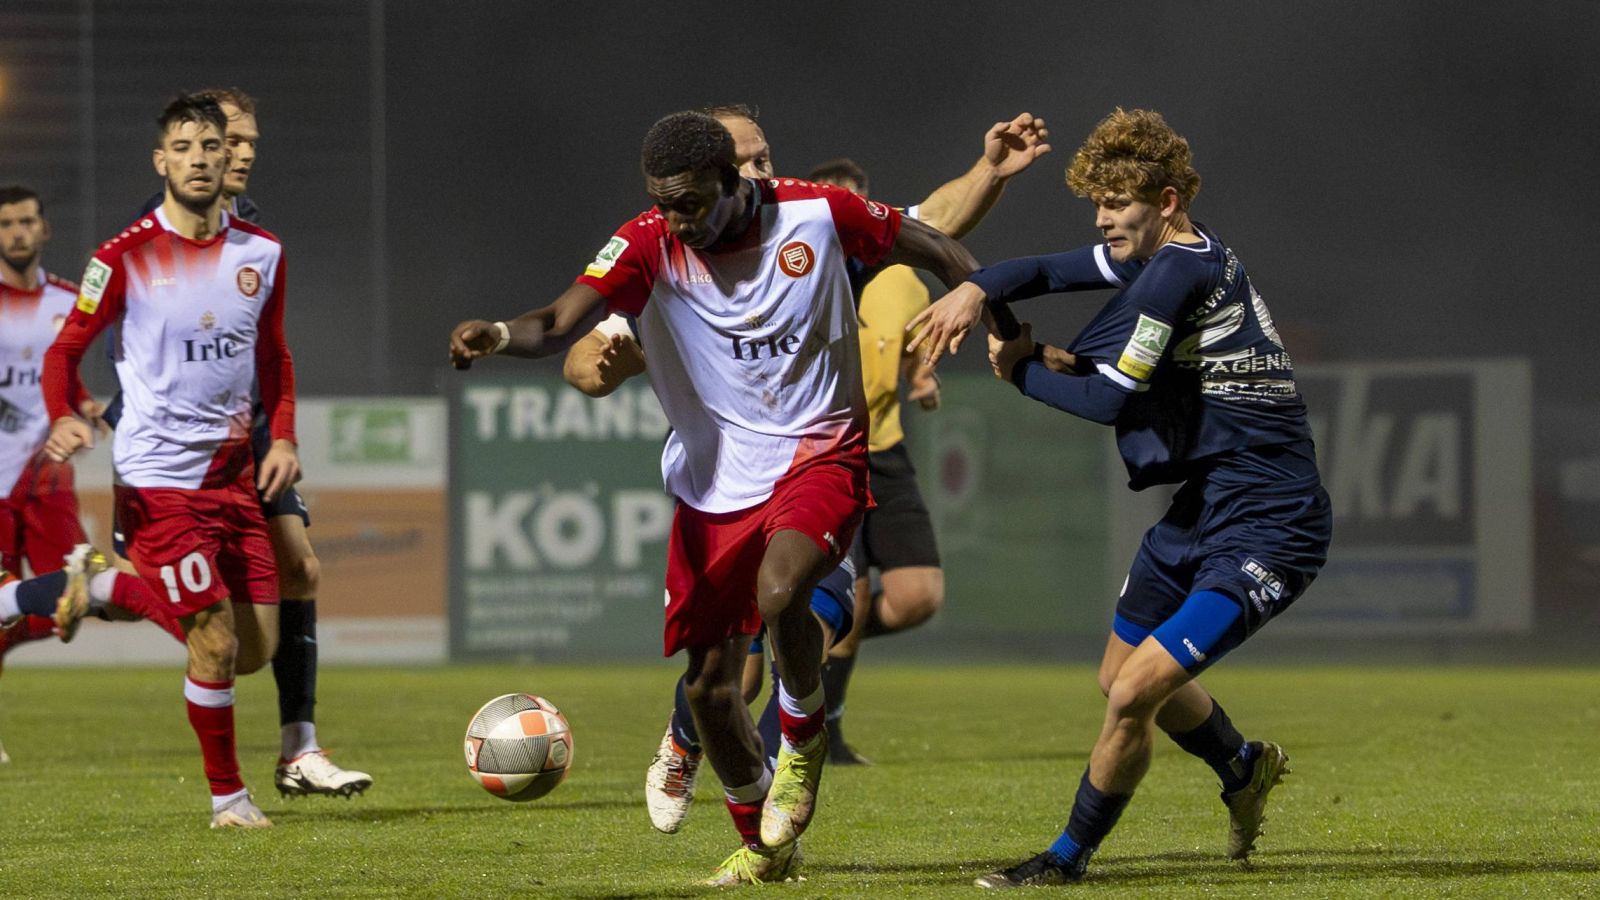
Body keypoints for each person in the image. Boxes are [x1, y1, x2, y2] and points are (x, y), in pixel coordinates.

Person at [450, 110, 981, 885]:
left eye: (690, 202)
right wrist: (496, 334)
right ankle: (765, 847)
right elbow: (559, 322)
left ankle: (803, 737)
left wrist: (981, 303)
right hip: (714, 484)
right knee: (709, 689)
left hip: (820, 451)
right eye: (663, 202)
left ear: (735, 181)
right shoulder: (646, 242)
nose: (675, 218)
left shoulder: (816, 212)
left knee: (781, 590)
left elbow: (936, 243)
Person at [563, 105, 1050, 830]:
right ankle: (690, 742)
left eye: (763, 157)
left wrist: (989, 170)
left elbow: (934, 223)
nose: (760, 170)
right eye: (745, 160)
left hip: (840, 456)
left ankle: (800, 750)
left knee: (824, 610)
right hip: (739, 472)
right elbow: (586, 346)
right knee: (739, 666)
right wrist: (603, 371)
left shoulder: (808, 229)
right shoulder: (674, 246)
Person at [909, 108, 1333, 887]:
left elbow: (1106, 401)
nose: (1104, 221)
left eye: (1118, 206)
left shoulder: (1178, 270)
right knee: (1118, 676)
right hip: (1203, 510)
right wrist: (972, 291)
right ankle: (1243, 767)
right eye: (1097, 206)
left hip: (1272, 525)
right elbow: (1039, 271)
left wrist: (1021, 373)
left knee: (1135, 690)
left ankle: (1064, 862)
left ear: (1167, 201)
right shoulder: (1155, 255)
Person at [97, 87, 371, 799]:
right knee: (224, 625)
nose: (242, 153)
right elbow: (134, 343)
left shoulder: (250, 230)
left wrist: (280, 429)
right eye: (231, 141)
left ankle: (298, 751)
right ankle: (94, 587)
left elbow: (268, 346)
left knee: (300, 574)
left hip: (247, 438)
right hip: (181, 457)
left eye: (248, 142)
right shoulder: (158, 232)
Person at [42, 93, 299, 828]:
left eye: (209, 147)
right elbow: (65, 350)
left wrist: (283, 437)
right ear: (162, 161)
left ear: (229, 160)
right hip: (160, 481)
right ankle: (229, 799)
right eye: (181, 148)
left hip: (235, 479)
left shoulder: (264, 253)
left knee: (253, 651)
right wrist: (67, 412)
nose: (197, 159)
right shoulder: (121, 257)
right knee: (212, 639)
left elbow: (275, 356)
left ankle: (107, 586)